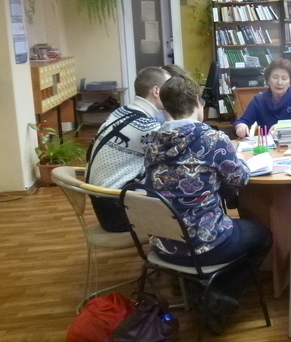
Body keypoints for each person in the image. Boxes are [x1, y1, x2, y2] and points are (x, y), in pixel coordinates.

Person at [142, 74, 272, 335]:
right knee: (263, 236)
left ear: (165, 105)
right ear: (197, 103)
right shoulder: (212, 139)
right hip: (204, 245)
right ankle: (218, 297)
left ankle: (195, 285)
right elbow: (240, 178)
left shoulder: (152, 140)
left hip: (163, 244)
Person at [86, 66, 170, 232]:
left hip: (104, 203)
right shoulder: (146, 126)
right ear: (156, 91)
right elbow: (179, 155)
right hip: (118, 212)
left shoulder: (121, 112)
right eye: (169, 89)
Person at [233, 58, 291, 138]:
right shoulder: (259, 100)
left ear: (290, 82)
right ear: (268, 80)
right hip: (268, 144)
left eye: (284, 78)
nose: (279, 82)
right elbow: (243, 121)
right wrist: (240, 126)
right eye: (275, 77)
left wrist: (281, 126)